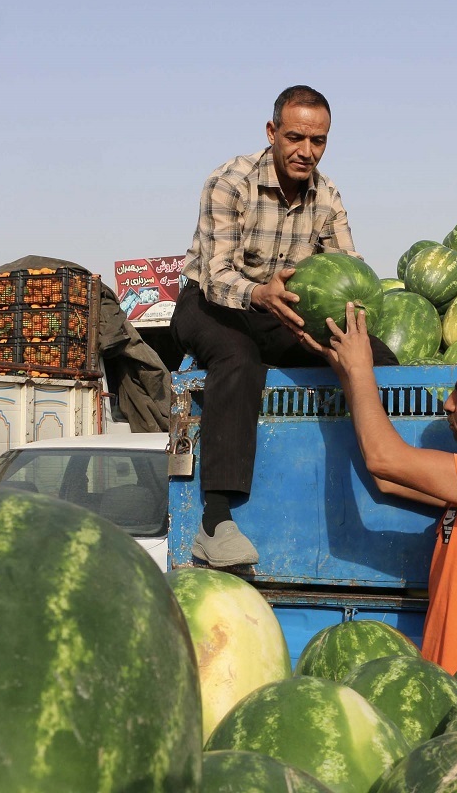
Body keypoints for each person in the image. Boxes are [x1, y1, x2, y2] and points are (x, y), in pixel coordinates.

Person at [171, 84, 398, 569]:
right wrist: (261, 294)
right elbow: (217, 275)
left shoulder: (326, 194)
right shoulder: (230, 182)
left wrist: (351, 316)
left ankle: (391, 475)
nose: (306, 151)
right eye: (295, 137)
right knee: (238, 357)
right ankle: (216, 521)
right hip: (212, 303)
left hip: (281, 311)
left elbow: (348, 265)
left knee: (375, 357)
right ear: (272, 132)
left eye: (318, 141)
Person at [305, 303, 457, 674]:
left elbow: (384, 460)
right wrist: (346, 374)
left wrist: (360, 370)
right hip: (450, 680)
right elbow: (388, 479)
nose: (448, 404)